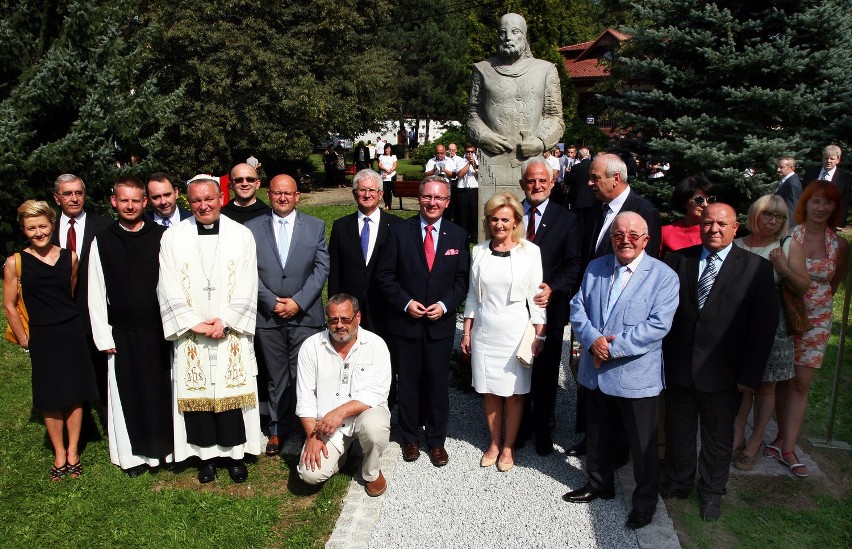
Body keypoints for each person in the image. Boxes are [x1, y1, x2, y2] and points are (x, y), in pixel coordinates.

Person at [662, 203, 778, 521]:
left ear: (734, 228)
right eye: (708, 223)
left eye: (721, 224)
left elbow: (763, 327)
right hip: (680, 367)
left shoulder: (756, 268)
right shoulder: (678, 261)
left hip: (725, 372)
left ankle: (713, 491)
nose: (714, 229)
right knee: (680, 429)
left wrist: (750, 375)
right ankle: (678, 481)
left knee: (718, 436)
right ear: (700, 226)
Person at [566, 212, 679, 530]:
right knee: (598, 435)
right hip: (597, 372)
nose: (624, 239)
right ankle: (599, 483)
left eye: (632, 234)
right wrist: (592, 341)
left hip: (635, 376)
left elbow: (657, 326)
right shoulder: (595, 267)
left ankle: (645, 503)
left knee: (643, 447)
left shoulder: (663, 276)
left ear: (645, 240)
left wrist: (610, 348)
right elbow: (578, 307)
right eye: (618, 234)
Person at [157, 175, 261, 484]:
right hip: (193, 332)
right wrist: (194, 323)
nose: (204, 205)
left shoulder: (241, 235)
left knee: (231, 389)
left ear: (220, 198)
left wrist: (226, 319)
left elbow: (248, 280)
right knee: (199, 389)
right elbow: (167, 284)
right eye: (197, 200)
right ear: (189, 202)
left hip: (230, 330)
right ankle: (206, 457)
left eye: (209, 199)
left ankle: (235, 455)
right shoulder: (173, 237)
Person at [375, 176, 470, 467]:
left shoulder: (457, 235)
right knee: (409, 381)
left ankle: (437, 440)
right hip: (407, 323)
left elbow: (462, 281)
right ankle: (410, 437)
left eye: (439, 198)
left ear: (447, 202)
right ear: (419, 198)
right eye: (428, 197)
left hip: (440, 325)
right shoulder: (398, 231)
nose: (432, 203)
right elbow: (385, 276)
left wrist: (444, 305)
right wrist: (405, 303)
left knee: (438, 383)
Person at [572, 152, 661, 457]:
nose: (589, 182)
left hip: (623, 322)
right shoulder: (597, 208)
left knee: (618, 385)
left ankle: (619, 448)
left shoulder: (643, 211)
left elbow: (648, 271)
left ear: (616, 178)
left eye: (595, 177)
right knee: (589, 378)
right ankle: (590, 438)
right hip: (593, 311)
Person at [4, 200, 98, 481]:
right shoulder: (14, 262)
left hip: (71, 332)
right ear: (24, 230)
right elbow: (9, 305)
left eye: (43, 226)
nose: (38, 232)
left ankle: (73, 451)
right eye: (31, 228)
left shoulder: (70, 257)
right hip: (42, 335)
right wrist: (24, 338)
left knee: (75, 392)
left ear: (51, 224)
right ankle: (58, 452)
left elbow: (69, 293)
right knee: (50, 396)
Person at [88, 176, 173, 477]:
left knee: (161, 390)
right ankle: (134, 454)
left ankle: (166, 451)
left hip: (158, 330)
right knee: (129, 393)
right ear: (114, 201)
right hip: (122, 332)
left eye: (136, 200)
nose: (130, 206)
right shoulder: (103, 239)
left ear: (145, 202)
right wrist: (102, 334)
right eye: (124, 200)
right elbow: (95, 290)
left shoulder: (161, 236)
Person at [461, 192, 546, 472]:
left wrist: (539, 333)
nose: (499, 225)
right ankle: (494, 443)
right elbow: (473, 296)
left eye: (505, 220)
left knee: (515, 392)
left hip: (516, 329)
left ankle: (509, 447)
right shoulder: (480, 251)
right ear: (488, 221)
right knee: (488, 391)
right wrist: (466, 331)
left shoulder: (530, 252)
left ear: (516, 222)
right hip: (486, 330)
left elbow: (536, 297)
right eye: (494, 219)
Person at [245, 174, 329, 457]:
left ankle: (309, 430)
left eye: (288, 193)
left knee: (306, 376)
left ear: (297, 196)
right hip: (267, 317)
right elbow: (247, 272)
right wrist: (270, 301)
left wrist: (298, 302)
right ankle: (277, 429)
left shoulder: (315, 226)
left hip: (305, 316)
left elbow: (321, 269)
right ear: (269, 194)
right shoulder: (251, 228)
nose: (283, 198)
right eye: (277, 193)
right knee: (276, 375)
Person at [770, 181, 849, 477]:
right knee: (781, 377)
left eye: (827, 203)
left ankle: (788, 446)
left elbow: (834, 282)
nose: (821, 208)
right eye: (815, 202)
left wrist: (819, 305)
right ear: (806, 204)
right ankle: (777, 436)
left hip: (818, 317)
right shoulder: (791, 236)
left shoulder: (839, 245)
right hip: (787, 312)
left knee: (801, 382)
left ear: (834, 208)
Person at [731, 195, 810, 471]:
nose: (773, 220)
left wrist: (784, 270)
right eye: (767, 215)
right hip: (739, 321)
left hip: (774, 325)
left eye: (778, 216)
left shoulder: (788, 246)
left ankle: (755, 441)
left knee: (766, 385)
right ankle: (737, 433)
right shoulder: (737, 244)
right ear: (755, 215)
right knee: (741, 382)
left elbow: (803, 287)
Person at [515, 159, 582, 455]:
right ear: (522, 184)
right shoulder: (511, 214)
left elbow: (573, 264)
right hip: (514, 310)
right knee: (517, 370)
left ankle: (543, 428)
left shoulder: (566, 219)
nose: (537, 186)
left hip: (549, 310)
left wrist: (553, 288)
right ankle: (519, 426)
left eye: (542, 181)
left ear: (553, 183)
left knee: (544, 372)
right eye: (531, 181)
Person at [296, 294, 391, 496]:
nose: (339, 325)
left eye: (346, 319)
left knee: (375, 427)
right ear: (327, 319)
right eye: (333, 320)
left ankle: (371, 472)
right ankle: (342, 454)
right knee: (309, 475)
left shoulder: (377, 345)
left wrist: (341, 411)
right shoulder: (311, 347)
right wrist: (312, 436)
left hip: (364, 415)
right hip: (326, 426)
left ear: (358, 317)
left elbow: (379, 391)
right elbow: (305, 396)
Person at [467, 13, 564, 188]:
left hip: (531, 162)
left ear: (524, 36)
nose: (508, 37)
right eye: (503, 32)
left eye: (515, 31)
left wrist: (541, 142)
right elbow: (473, 114)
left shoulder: (546, 70)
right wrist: (483, 136)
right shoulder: (482, 70)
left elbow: (555, 116)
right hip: (492, 160)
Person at [328, 170, 402, 398]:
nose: (367, 194)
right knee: (351, 355)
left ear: (381, 194)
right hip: (351, 307)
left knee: (385, 356)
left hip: (385, 306)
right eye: (362, 190)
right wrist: (336, 309)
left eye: (372, 190)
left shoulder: (398, 227)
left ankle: (385, 405)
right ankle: (350, 402)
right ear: (354, 193)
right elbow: (335, 271)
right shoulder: (341, 226)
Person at [51, 173, 111, 430]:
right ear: (57, 198)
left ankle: (110, 422)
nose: (74, 198)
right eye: (68, 193)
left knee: (103, 370)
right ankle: (81, 425)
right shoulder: (47, 230)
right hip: (60, 313)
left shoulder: (105, 226)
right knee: (70, 370)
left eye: (79, 193)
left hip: (95, 309)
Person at [660, 176, 715, 256]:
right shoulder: (666, 233)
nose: (705, 205)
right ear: (684, 202)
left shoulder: (715, 231)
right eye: (699, 200)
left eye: (710, 200)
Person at [804, 145, 852, 228]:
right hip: (809, 218)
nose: (828, 161)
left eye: (832, 159)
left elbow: (845, 200)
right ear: (822, 158)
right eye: (826, 158)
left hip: (831, 220)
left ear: (838, 160)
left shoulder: (845, 178)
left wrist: (840, 222)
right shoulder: (811, 172)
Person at [455, 144, 480, 243]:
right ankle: (463, 235)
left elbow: (480, 176)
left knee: (474, 213)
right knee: (463, 214)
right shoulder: (460, 161)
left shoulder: (478, 161)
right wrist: (468, 164)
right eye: (468, 152)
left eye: (472, 152)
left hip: (474, 189)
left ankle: (474, 236)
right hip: (463, 190)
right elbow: (460, 174)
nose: (470, 154)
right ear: (464, 152)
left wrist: (474, 165)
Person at [775, 156, 802, 228]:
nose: (778, 169)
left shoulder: (792, 183)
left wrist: (788, 226)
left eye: (781, 167)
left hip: (787, 226)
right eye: (778, 167)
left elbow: (792, 206)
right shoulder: (785, 181)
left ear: (792, 168)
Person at [378, 144, 397, 211]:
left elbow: (394, 166)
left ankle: (389, 205)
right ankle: (386, 204)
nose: (387, 150)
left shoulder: (393, 156)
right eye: (386, 148)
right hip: (383, 175)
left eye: (388, 148)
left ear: (390, 149)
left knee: (389, 191)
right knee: (384, 191)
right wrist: (386, 170)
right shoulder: (381, 156)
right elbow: (380, 165)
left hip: (391, 175)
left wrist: (389, 172)